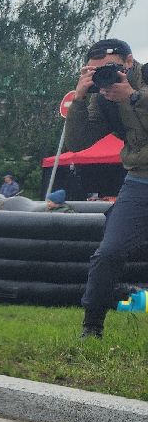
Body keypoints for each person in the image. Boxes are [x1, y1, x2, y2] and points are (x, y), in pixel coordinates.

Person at [64, 38, 148, 338]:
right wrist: (80, 98)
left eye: (108, 69)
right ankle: (91, 327)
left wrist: (134, 97)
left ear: (128, 62)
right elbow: (78, 142)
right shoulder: (102, 98)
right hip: (140, 178)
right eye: (94, 71)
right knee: (108, 252)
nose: (103, 77)